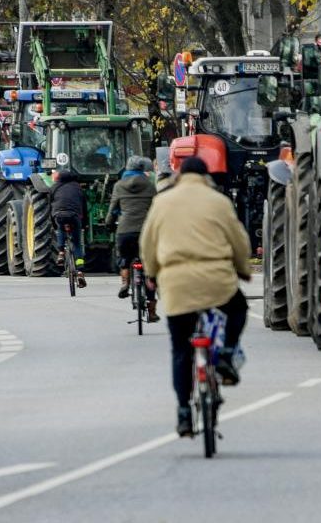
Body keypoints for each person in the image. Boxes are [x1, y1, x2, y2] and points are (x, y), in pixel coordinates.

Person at [140, 156, 252, 437]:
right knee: (238, 308)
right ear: (206, 177)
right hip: (217, 280)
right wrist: (243, 269)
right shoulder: (219, 202)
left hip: (176, 284)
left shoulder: (162, 202)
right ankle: (226, 353)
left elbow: (148, 244)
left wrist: (151, 274)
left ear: (179, 176)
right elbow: (239, 241)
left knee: (181, 350)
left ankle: (183, 412)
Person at [105, 155, 158, 319]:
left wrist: (109, 223)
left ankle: (125, 283)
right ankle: (152, 310)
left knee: (125, 259)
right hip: (145, 232)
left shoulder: (119, 186)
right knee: (149, 267)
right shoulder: (150, 186)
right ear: (142, 169)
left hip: (125, 231)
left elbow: (113, 209)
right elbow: (156, 207)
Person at [50, 168, 87, 288]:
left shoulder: (54, 187)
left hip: (59, 214)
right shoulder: (78, 187)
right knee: (77, 244)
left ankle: (61, 252)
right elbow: (84, 207)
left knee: (61, 229)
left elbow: (50, 206)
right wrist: (84, 223)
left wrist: (54, 223)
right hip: (74, 216)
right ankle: (80, 271)